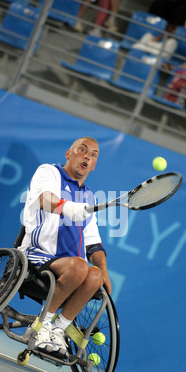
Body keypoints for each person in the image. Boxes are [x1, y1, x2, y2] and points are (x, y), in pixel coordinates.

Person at [18, 137, 111, 357]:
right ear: (69, 153)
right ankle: (41, 326)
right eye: (83, 150)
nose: (87, 156)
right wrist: (68, 208)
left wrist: (105, 273)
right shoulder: (49, 172)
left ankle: (58, 330)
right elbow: (44, 199)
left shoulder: (88, 195)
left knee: (95, 275)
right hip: (38, 254)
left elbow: (93, 243)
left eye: (93, 154)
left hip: (72, 265)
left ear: (94, 165)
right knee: (80, 267)